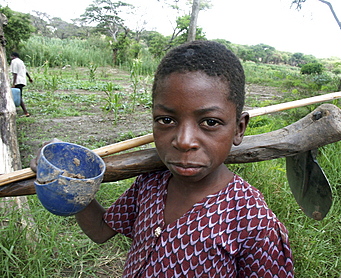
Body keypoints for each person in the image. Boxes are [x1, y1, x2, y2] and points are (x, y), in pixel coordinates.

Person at [35, 40, 294, 277]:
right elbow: (101, 231)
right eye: (167, 120)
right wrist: (74, 179)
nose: (183, 141)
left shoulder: (253, 221)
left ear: (238, 128)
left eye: (210, 122)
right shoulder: (150, 184)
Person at [10, 52, 33, 117]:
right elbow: (26, 71)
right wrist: (29, 78)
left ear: (13, 56)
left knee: (18, 96)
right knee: (18, 95)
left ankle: (25, 112)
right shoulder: (21, 61)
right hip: (23, 80)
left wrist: (13, 83)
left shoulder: (14, 61)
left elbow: (15, 73)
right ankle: (16, 109)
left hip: (18, 80)